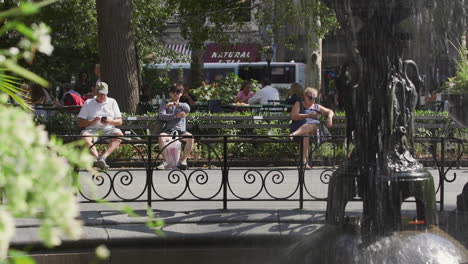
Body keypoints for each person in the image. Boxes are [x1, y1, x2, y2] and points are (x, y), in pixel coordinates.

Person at [78, 82, 123, 170]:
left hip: (108, 130)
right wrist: (92, 122)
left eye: (105, 94)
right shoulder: (88, 103)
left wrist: (110, 121)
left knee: (119, 134)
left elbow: (120, 121)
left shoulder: (112, 101)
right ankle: (98, 158)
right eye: (100, 94)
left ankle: (103, 158)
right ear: (95, 93)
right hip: (92, 130)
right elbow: (80, 123)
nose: (103, 96)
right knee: (84, 136)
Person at [290, 87, 334, 169]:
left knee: (314, 124)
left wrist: (329, 118)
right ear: (305, 96)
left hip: (314, 132)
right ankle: (304, 162)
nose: (312, 100)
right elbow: (293, 116)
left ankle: (293, 135)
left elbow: (330, 111)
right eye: (310, 98)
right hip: (300, 129)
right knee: (306, 134)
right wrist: (308, 115)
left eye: (314, 98)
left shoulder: (317, 106)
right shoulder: (298, 104)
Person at [157, 84, 194, 170]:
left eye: (178, 92)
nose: (175, 93)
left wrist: (175, 104)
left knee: (190, 138)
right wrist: (176, 116)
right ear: (170, 93)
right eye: (173, 91)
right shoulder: (164, 103)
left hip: (181, 131)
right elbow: (161, 116)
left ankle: (182, 161)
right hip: (168, 130)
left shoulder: (183, 105)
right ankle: (166, 162)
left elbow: (188, 109)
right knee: (161, 138)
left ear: (181, 93)